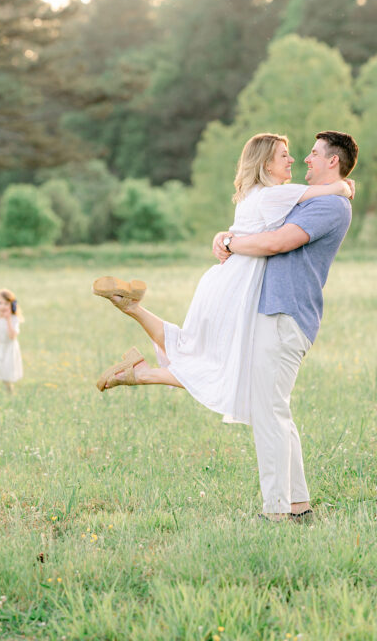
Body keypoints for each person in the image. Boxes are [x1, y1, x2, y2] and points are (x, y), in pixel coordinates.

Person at [92, 133, 353, 432]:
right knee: (222, 364)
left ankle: (134, 313)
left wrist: (224, 238)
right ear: (267, 164)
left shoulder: (251, 195)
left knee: (196, 348)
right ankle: (141, 371)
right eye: (284, 155)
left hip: (222, 279)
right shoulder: (274, 195)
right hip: (239, 283)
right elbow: (325, 194)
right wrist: (344, 185)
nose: (293, 159)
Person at [211, 129, 359, 522]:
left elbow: (276, 242)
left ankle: (275, 511)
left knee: (268, 413)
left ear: (333, 161)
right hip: (275, 311)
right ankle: (298, 506)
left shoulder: (329, 207)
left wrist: (229, 244)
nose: (304, 160)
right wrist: (227, 235)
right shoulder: (314, 198)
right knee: (275, 410)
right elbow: (260, 226)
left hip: (284, 313)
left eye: (313, 154)